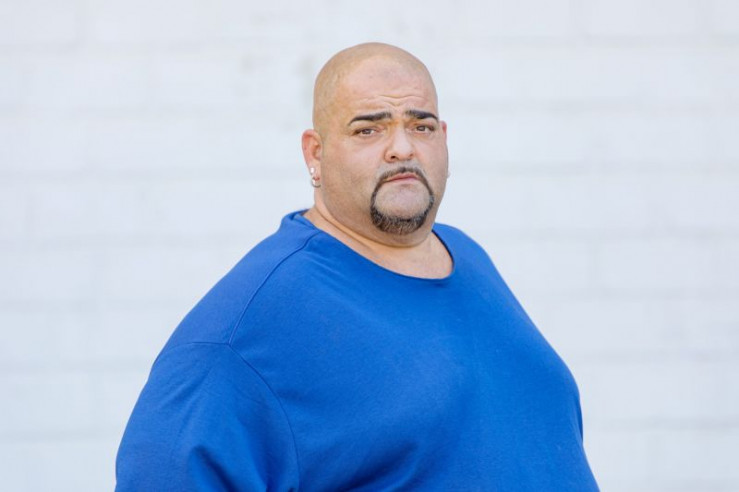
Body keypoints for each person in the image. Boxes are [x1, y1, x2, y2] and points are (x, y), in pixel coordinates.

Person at [116, 42, 599, 491]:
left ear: (444, 138)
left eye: (421, 126)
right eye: (369, 129)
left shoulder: (467, 258)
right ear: (316, 152)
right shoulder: (244, 329)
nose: (402, 147)